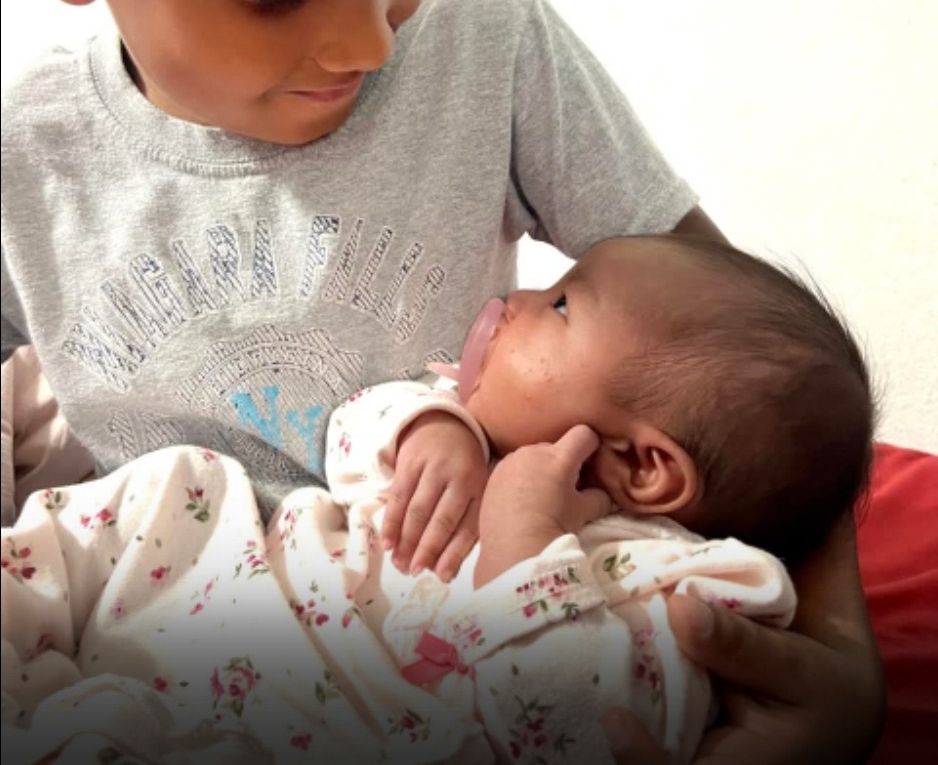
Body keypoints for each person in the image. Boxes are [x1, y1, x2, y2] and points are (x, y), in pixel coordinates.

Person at [0, 0, 884, 760]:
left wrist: (840, 658)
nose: (368, 37)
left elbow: (755, 377)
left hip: (427, 659)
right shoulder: (28, 158)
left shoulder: (488, 47)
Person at [2, 234, 872, 763]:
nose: (518, 298)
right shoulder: (468, 428)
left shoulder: (675, 584)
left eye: (561, 305)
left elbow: (574, 733)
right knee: (178, 488)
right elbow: (348, 450)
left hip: (296, 717)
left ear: (644, 467)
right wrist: (427, 426)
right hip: (216, 587)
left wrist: (524, 546)